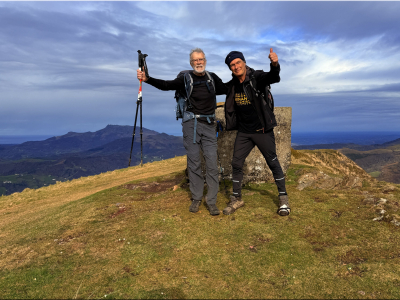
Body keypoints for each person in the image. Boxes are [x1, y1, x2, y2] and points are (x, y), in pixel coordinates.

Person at [137, 48, 227, 215]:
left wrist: (245, 76)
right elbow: (166, 85)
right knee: (194, 163)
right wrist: (147, 79)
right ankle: (197, 198)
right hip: (191, 124)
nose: (198, 62)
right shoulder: (185, 78)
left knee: (212, 163)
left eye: (201, 59)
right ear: (191, 63)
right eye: (195, 60)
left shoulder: (212, 78)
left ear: (205, 61)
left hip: (209, 124)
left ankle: (212, 201)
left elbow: (227, 88)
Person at [222, 49, 290, 216]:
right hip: (244, 132)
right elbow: (214, 88)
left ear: (244, 63)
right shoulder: (232, 86)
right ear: (230, 68)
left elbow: (273, 77)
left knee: (273, 162)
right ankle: (237, 198)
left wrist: (274, 64)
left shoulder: (256, 78)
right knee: (236, 163)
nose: (236, 66)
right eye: (232, 65)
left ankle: (283, 199)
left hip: (262, 131)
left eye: (238, 62)